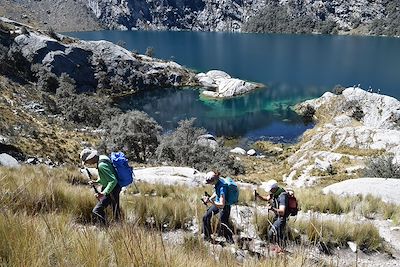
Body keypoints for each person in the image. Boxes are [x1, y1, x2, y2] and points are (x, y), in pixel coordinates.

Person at [80, 148, 121, 226]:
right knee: (115, 210)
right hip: (115, 188)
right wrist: (96, 181)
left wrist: (103, 193)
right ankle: (119, 227)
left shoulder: (101, 165)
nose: (87, 163)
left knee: (97, 211)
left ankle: (106, 228)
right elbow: (105, 177)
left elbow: (113, 180)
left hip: (112, 190)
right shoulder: (102, 158)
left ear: (91, 158)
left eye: (86, 161)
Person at [255, 179, 288, 251]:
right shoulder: (274, 193)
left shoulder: (282, 196)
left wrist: (272, 208)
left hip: (282, 218)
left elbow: (282, 212)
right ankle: (280, 249)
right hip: (277, 217)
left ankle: (278, 250)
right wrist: (258, 196)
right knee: (278, 234)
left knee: (272, 233)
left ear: (274, 188)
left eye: (270, 189)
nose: (270, 191)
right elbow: (267, 198)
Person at [202, 171, 234, 244]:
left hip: (225, 206)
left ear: (214, 180)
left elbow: (222, 205)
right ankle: (207, 236)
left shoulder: (222, 187)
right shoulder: (218, 182)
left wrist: (211, 202)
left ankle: (230, 241)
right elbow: (216, 192)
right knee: (206, 217)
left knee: (223, 223)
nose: (209, 184)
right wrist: (210, 199)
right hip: (217, 202)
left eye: (209, 182)